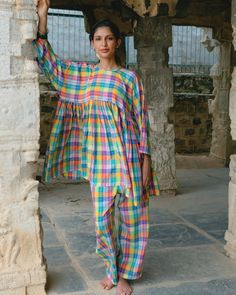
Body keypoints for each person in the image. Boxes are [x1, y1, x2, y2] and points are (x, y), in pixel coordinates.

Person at [34, 1, 159, 294]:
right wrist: (43, 17)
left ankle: (124, 274)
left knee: (133, 219)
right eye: (98, 39)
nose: (104, 44)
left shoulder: (129, 79)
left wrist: (146, 163)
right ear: (92, 44)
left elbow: (142, 123)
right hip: (100, 162)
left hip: (128, 157)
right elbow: (49, 61)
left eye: (109, 38)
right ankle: (111, 268)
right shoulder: (82, 76)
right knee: (103, 220)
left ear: (117, 43)